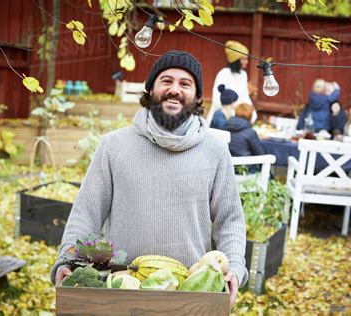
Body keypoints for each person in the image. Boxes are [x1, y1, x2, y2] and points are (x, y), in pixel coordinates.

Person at [50, 50, 248, 307]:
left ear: (197, 96)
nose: (174, 89)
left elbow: (230, 219)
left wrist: (234, 266)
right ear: (151, 89)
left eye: (185, 83)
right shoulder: (113, 146)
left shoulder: (215, 151)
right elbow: (86, 213)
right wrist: (67, 261)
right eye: (166, 81)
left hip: (190, 292)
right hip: (121, 289)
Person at [207, 40, 257, 125]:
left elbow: (244, 96)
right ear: (236, 60)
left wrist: (251, 111)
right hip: (222, 118)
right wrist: (234, 111)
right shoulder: (224, 73)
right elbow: (217, 99)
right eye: (244, 59)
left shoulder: (243, 74)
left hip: (239, 117)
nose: (246, 62)